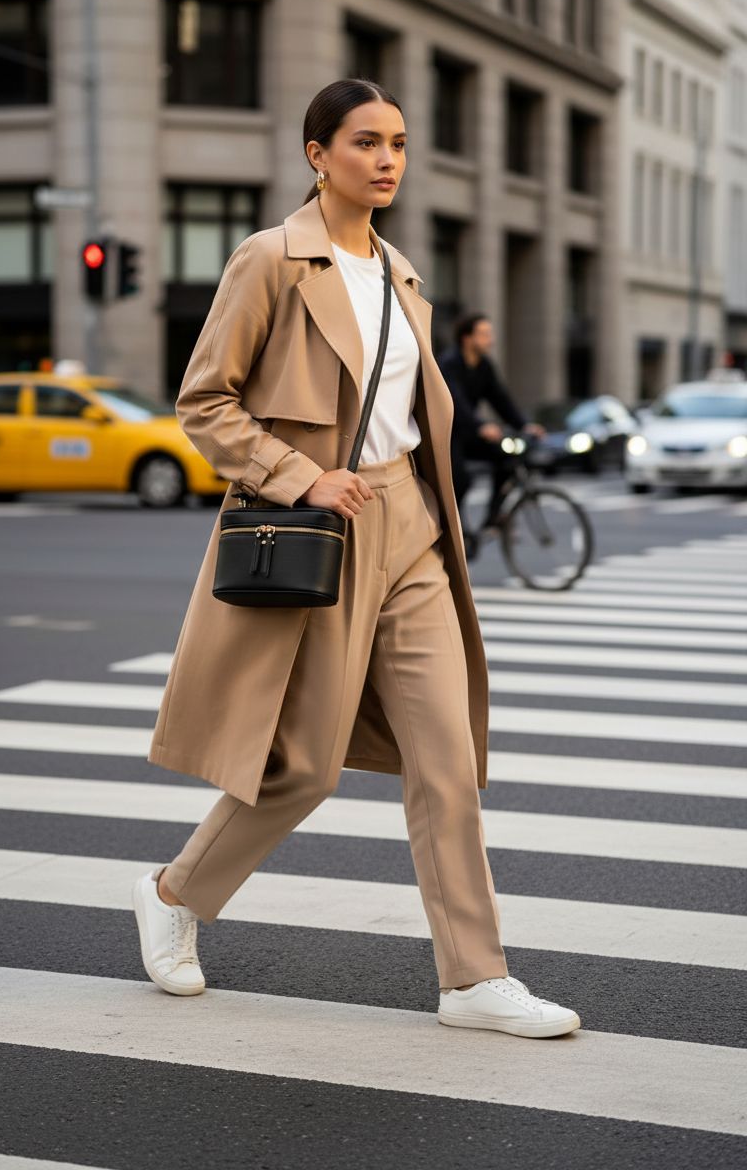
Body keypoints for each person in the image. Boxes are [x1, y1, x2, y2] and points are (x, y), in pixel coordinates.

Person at [132, 78, 580, 1039]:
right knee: (303, 767)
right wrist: (300, 475)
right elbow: (205, 402)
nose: (387, 160)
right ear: (316, 153)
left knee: (447, 760)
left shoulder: (403, 276)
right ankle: (175, 894)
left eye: (400, 144)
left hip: (412, 527)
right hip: (325, 527)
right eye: (367, 141)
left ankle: (473, 978)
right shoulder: (270, 261)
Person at [437, 314, 545, 537]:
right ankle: (450, 530)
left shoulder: (484, 366)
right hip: (446, 433)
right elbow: (456, 402)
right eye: (484, 335)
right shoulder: (449, 364)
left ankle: (492, 518)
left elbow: (500, 399)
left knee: (508, 459)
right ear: (467, 339)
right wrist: (481, 425)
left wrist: (524, 425)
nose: (491, 340)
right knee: (461, 480)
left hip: (470, 432)